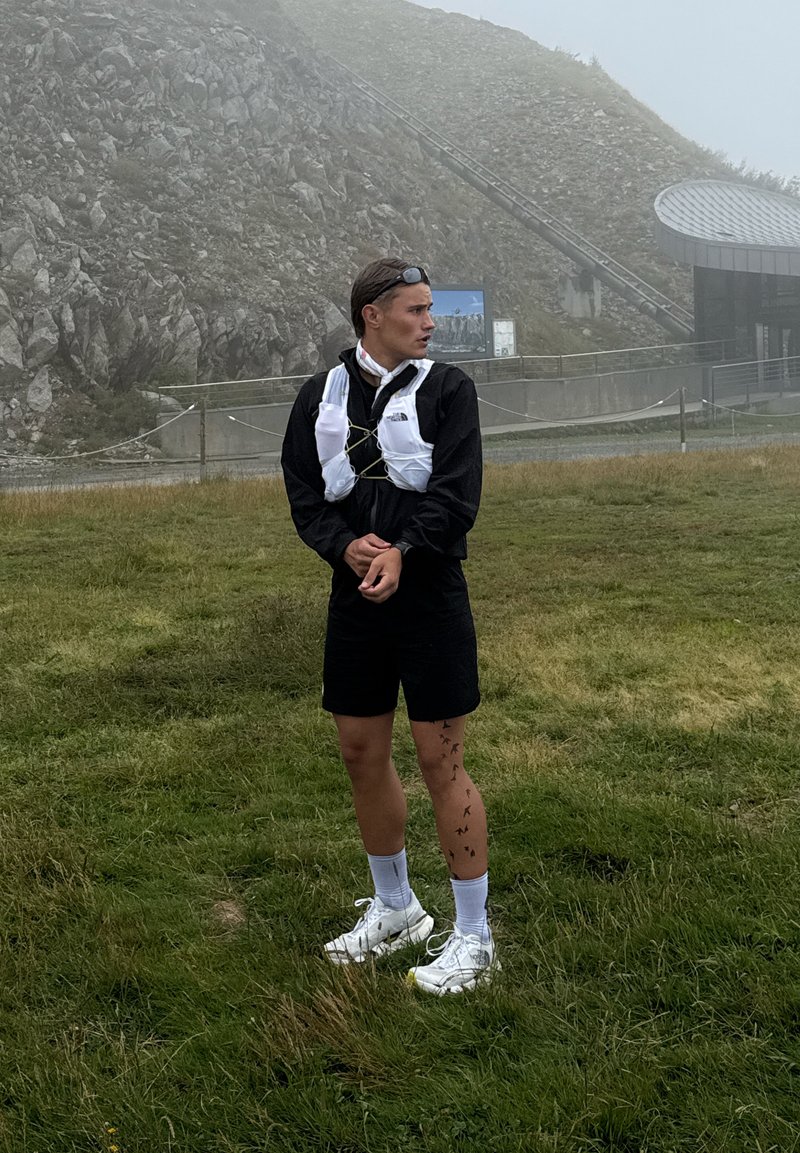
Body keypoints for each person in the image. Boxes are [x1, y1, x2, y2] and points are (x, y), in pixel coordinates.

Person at [280, 257, 497, 994]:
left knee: (442, 759)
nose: (430, 322)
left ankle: (475, 934)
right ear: (372, 314)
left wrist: (405, 550)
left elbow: (457, 494)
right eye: (415, 309)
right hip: (356, 598)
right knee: (359, 749)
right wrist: (343, 546)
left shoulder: (449, 391)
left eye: (431, 308)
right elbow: (305, 493)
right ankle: (397, 907)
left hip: (430, 594)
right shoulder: (320, 396)